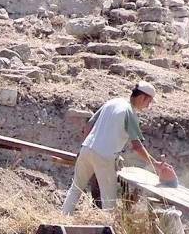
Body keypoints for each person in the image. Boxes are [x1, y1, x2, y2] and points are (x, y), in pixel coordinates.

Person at [61, 82, 173, 215]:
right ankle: (107, 231)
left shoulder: (113, 102)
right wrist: (156, 164)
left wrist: (88, 147)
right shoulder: (129, 114)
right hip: (105, 157)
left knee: (75, 189)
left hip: (86, 149)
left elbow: (88, 126)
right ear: (142, 97)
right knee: (109, 202)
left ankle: (62, 218)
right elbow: (137, 147)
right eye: (149, 102)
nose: (148, 106)